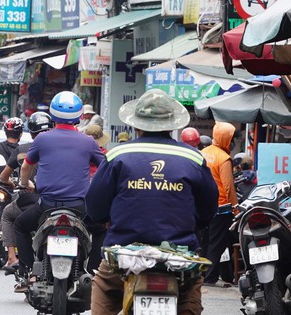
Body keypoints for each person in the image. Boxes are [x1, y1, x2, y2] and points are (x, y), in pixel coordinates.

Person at [86, 89, 219, 315]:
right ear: (172, 125)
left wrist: (104, 220)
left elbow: (95, 202)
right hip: (180, 252)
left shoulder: (118, 154)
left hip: (124, 251)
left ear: (136, 125)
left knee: (104, 287)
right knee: (189, 295)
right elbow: (209, 206)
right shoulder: (194, 157)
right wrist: (193, 224)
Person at [14, 91, 106, 277]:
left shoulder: (42, 138)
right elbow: (105, 167)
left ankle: (30, 271)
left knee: (20, 226)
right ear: (80, 116)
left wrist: (24, 184)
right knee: (101, 230)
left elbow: (26, 167)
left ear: (52, 114)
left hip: (47, 205)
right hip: (79, 207)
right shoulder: (88, 142)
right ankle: (93, 273)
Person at [0, 112, 53, 278]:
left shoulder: (22, 150)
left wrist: (16, 184)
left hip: (33, 202)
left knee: (8, 214)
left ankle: (12, 258)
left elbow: (3, 176)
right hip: (58, 201)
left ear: (30, 132)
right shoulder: (59, 149)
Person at [201, 122, 238, 287]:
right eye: (231, 139)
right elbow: (229, 187)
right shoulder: (224, 159)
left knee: (204, 242)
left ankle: (201, 274)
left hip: (203, 206)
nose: (232, 142)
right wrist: (236, 209)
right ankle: (210, 277)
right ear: (225, 139)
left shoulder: (202, 153)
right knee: (217, 244)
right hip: (221, 208)